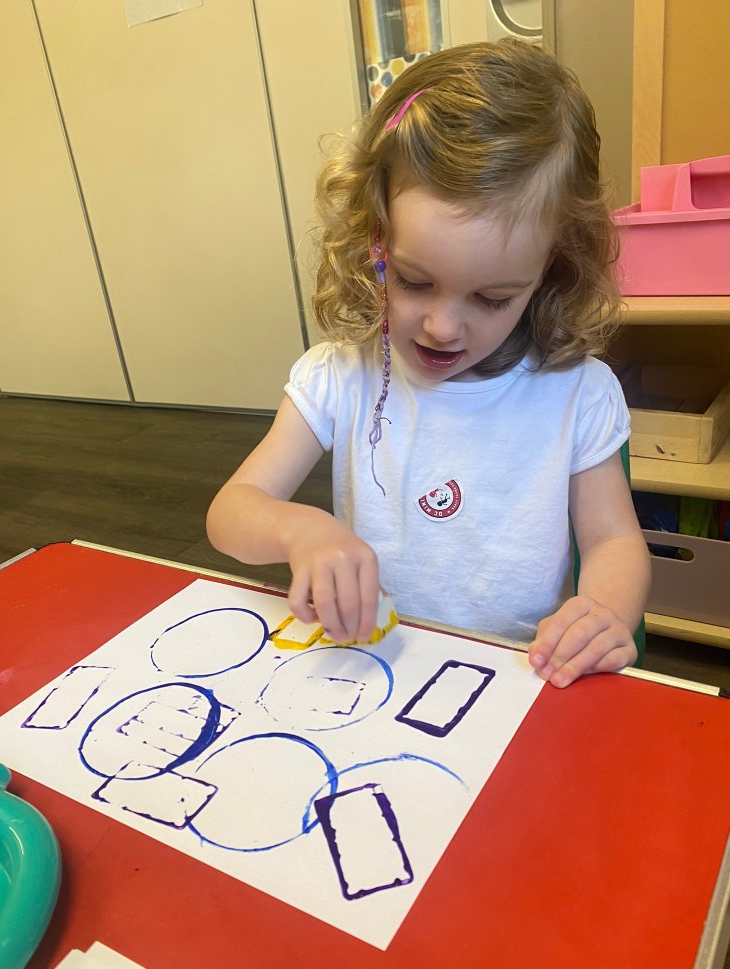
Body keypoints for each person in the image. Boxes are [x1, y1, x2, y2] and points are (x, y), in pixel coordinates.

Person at [207, 38, 651, 689]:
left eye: (492, 298)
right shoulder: (337, 378)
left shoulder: (578, 393)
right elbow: (232, 510)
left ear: (549, 269)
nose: (442, 327)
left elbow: (613, 540)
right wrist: (298, 530)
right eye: (415, 281)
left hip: (521, 679)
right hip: (374, 669)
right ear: (376, 237)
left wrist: (605, 612)